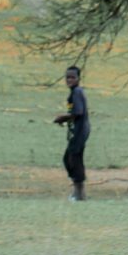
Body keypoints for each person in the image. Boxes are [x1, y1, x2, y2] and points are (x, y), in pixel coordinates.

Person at [51, 65, 90, 201]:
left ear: (79, 78)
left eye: (73, 77)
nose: (70, 80)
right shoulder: (74, 92)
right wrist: (67, 120)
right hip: (77, 130)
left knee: (73, 160)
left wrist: (63, 117)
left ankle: (79, 193)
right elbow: (75, 113)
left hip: (79, 131)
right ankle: (78, 191)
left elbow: (78, 112)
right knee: (69, 159)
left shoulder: (77, 92)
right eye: (67, 77)